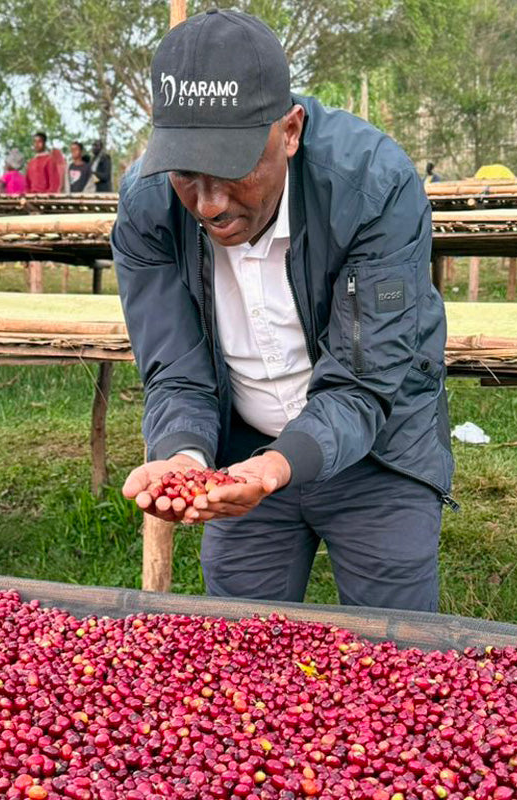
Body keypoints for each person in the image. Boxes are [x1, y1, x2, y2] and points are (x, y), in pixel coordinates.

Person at [114, 10, 453, 611]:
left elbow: (363, 378)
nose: (209, 203)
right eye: (187, 172)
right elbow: (174, 366)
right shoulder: (148, 209)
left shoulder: (373, 187)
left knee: (397, 657)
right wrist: (186, 455)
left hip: (381, 448)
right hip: (241, 454)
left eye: (231, 168)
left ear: (290, 131)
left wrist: (282, 464)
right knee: (242, 655)